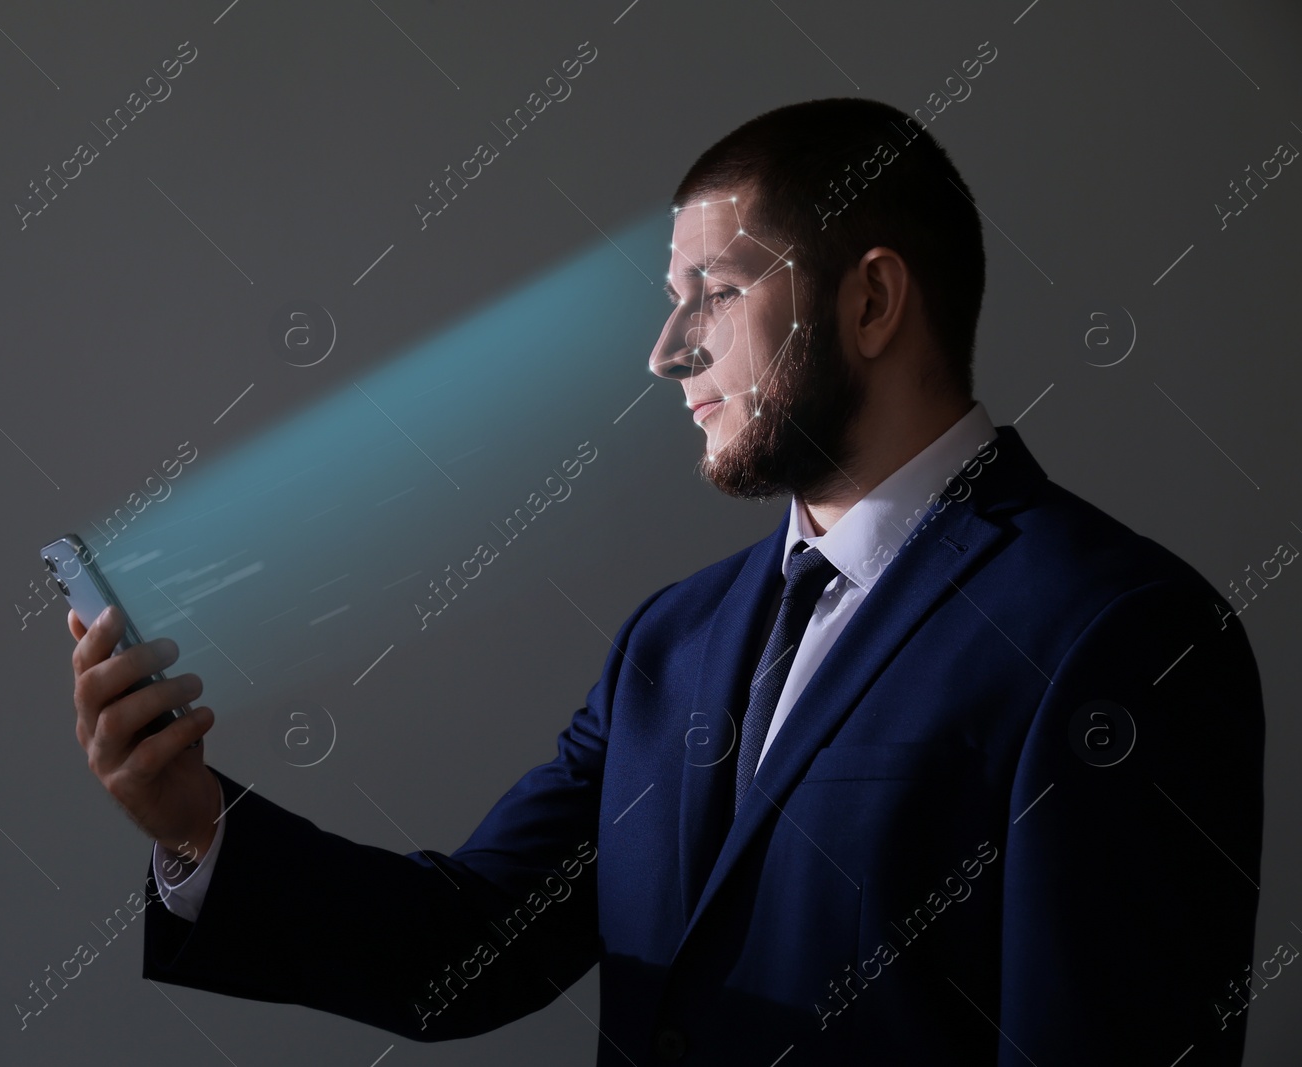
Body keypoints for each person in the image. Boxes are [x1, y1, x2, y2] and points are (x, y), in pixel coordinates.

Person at [66, 97, 1264, 1064]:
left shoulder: (1118, 633)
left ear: (871, 299)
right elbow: (472, 946)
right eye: (669, 298)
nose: (667, 346)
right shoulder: (672, 642)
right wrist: (194, 825)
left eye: (718, 291)